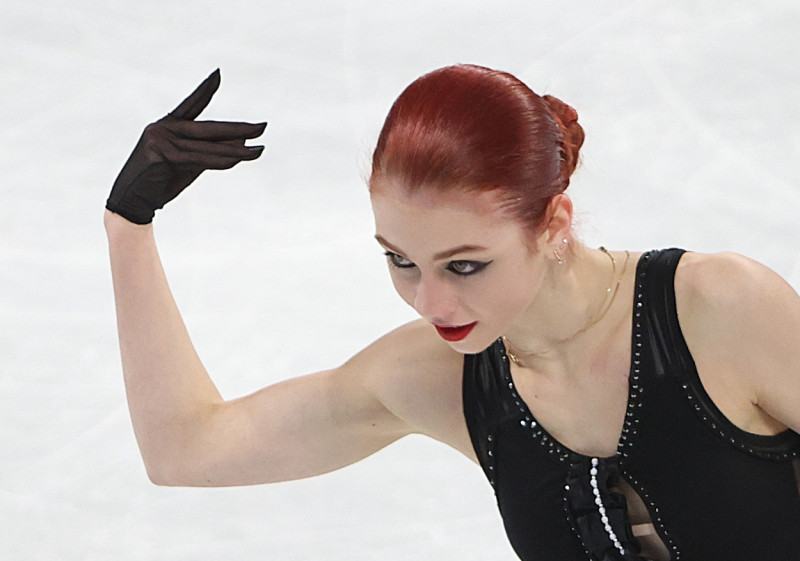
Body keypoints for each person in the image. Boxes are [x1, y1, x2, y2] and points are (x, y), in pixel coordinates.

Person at [105, 65, 800, 561]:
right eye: (400, 260)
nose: (431, 303)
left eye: (465, 265)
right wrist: (128, 225)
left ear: (553, 223)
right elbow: (186, 448)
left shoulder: (717, 309)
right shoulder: (436, 377)